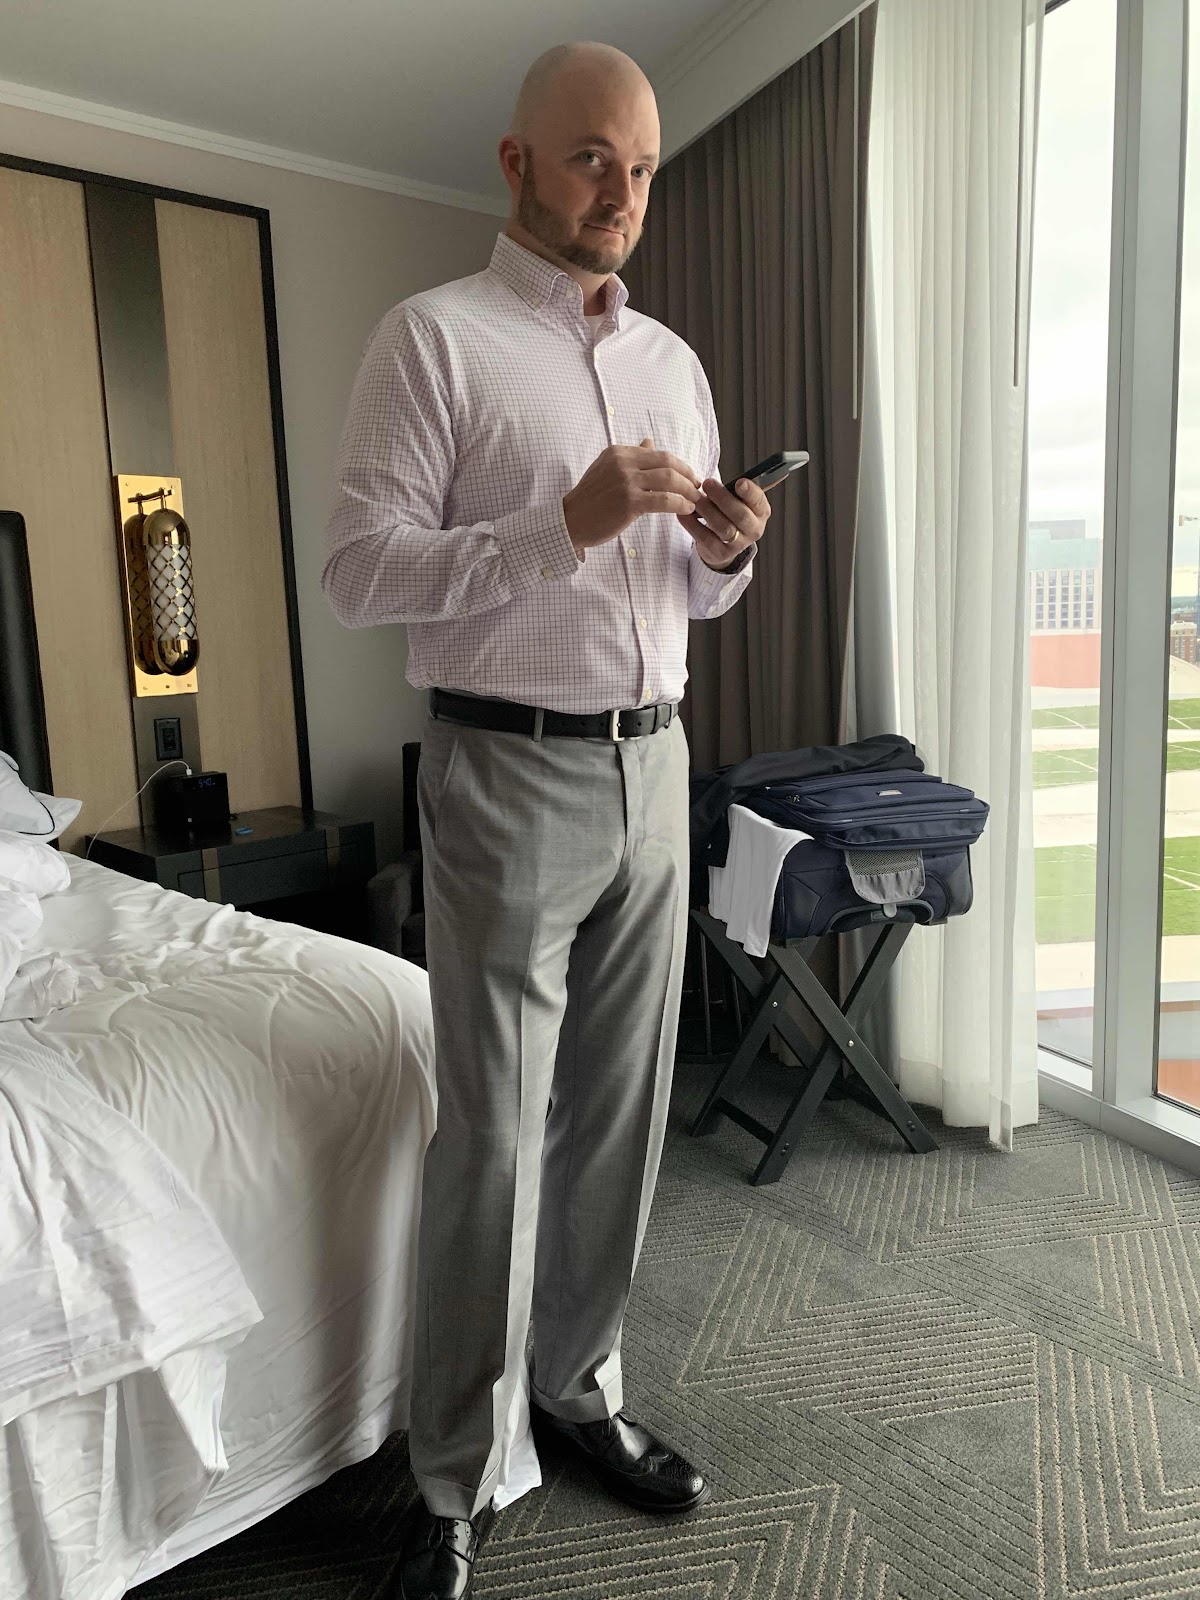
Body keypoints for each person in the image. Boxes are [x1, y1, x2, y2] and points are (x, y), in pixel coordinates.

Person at [323, 39, 770, 1600]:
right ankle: (454, 1471)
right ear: (516, 161)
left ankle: (580, 1393)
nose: (622, 192)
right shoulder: (433, 340)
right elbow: (361, 571)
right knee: (496, 1138)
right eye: (592, 158)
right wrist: (561, 523)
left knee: (621, 1121)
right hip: (505, 770)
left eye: (641, 167)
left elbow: (688, 592)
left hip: (658, 767)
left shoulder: (674, 364)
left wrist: (728, 552)